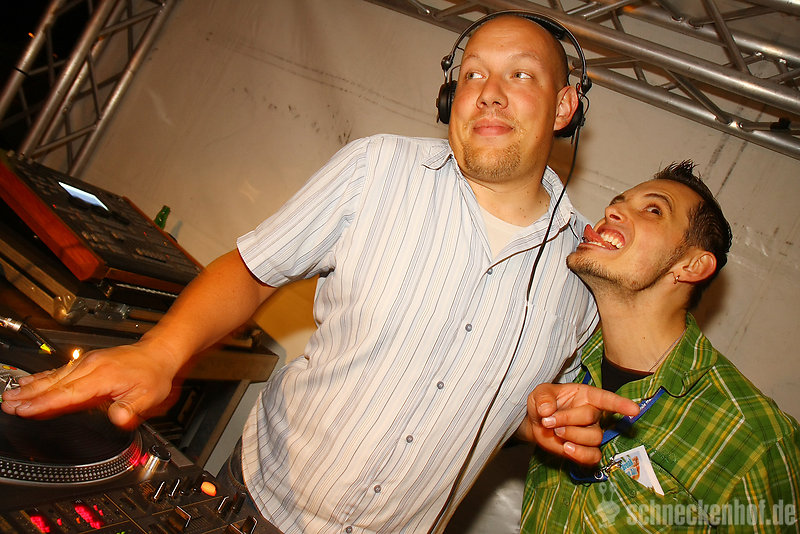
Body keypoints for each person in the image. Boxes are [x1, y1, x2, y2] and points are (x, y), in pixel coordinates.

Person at [2, 13, 637, 534]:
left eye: (520, 74)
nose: (489, 91)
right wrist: (160, 352)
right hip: (253, 502)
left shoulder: (585, 272)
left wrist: (541, 423)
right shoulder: (376, 170)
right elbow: (252, 271)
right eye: (473, 73)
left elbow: (525, 409)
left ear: (564, 106)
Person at [521, 161, 800, 532]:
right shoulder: (561, 364)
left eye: (653, 210)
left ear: (692, 265)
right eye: (617, 203)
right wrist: (525, 427)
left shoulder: (754, 438)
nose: (611, 211)